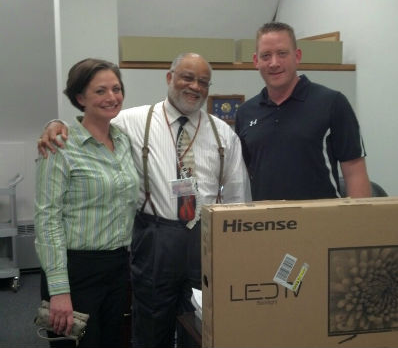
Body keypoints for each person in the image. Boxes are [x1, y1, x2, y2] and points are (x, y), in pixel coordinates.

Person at [38, 53, 251, 348]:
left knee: (202, 325)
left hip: (205, 240)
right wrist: (55, 124)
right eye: (187, 77)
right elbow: (89, 123)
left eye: (203, 81)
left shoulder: (223, 133)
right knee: (150, 325)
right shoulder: (132, 122)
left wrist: (235, 253)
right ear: (169, 78)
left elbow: (239, 198)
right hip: (154, 239)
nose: (194, 86)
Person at [34, 58, 140, 348]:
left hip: (118, 266)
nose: (112, 97)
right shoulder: (59, 146)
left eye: (116, 89)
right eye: (100, 91)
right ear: (80, 97)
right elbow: (47, 220)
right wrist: (58, 290)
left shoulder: (124, 141)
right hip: (75, 270)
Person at [235, 22, 371, 200]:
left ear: (297, 56)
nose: (274, 63)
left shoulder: (332, 103)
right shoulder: (246, 112)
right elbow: (243, 176)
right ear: (256, 61)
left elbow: (354, 172)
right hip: (266, 223)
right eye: (266, 56)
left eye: (282, 53)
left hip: (322, 221)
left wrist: (358, 223)